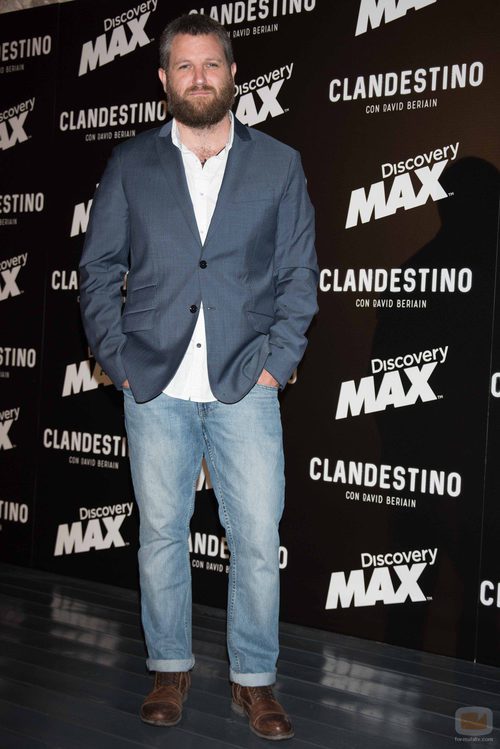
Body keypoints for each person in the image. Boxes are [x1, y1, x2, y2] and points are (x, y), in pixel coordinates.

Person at [79, 13, 318, 742]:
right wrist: (118, 360)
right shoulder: (131, 163)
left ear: (234, 72)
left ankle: (254, 679)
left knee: (256, 538)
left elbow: (298, 275)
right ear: (163, 79)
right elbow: (98, 270)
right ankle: (169, 667)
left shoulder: (279, 163)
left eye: (211, 64)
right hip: (154, 383)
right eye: (184, 66)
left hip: (246, 382)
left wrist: (277, 365)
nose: (199, 77)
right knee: (160, 533)